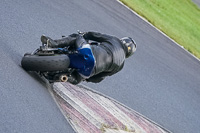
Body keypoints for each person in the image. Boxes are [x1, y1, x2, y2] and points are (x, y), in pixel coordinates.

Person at [41, 31, 136, 84]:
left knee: (77, 37)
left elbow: (96, 35)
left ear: (122, 40)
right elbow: (100, 77)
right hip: (90, 70)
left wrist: (84, 35)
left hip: (89, 53)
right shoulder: (120, 65)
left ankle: (54, 43)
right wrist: (88, 79)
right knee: (77, 79)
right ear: (128, 54)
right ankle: (63, 77)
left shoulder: (114, 40)